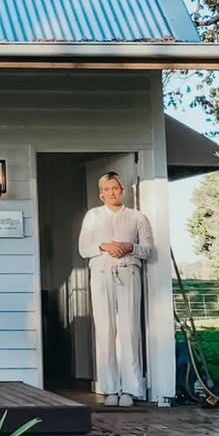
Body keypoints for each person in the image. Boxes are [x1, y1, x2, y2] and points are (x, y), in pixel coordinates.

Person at [78, 170, 155, 407]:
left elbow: (149, 249)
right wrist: (104, 245)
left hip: (128, 273)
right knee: (105, 330)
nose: (112, 192)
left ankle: (130, 389)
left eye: (116, 188)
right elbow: (83, 248)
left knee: (129, 329)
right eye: (107, 189)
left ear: (122, 191)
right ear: (101, 194)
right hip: (101, 274)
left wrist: (129, 246)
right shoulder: (93, 216)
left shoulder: (137, 217)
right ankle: (110, 387)